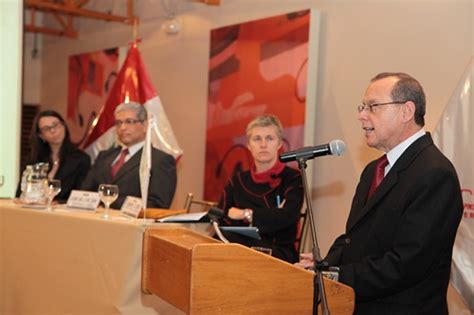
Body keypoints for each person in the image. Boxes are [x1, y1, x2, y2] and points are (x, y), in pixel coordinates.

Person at [297, 72, 463, 315]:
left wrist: (336, 274)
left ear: (406, 111)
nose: (361, 115)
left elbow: (406, 263)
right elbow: (354, 239)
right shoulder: (373, 170)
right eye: (362, 107)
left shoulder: (435, 173)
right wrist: (324, 264)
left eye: (373, 106)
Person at [218, 114, 304, 263]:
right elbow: (220, 217)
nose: (263, 144)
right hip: (239, 248)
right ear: (249, 145)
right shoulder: (237, 180)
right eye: (257, 139)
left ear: (279, 144)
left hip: (279, 254)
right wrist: (272, 215)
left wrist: (245, 214)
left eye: (269, 138)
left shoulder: (293, 178)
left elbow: (287, 216)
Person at [81, 102, 177, 209]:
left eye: (129, 122)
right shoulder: (104, 156)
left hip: (131, 224)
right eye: (118, 122)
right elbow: (85, 192)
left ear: (145, 125)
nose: (122, 128)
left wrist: (108, 202)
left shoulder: (159, 160)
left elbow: (157, 205)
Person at [17, 110, 91, 201]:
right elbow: (21, 193)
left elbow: (81, 196)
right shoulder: (33, 160)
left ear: (64, 126)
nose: (53, 130)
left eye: (56, 125)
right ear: (41, 136)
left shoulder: (81, 159)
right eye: (46, 128)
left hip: (64, 213)